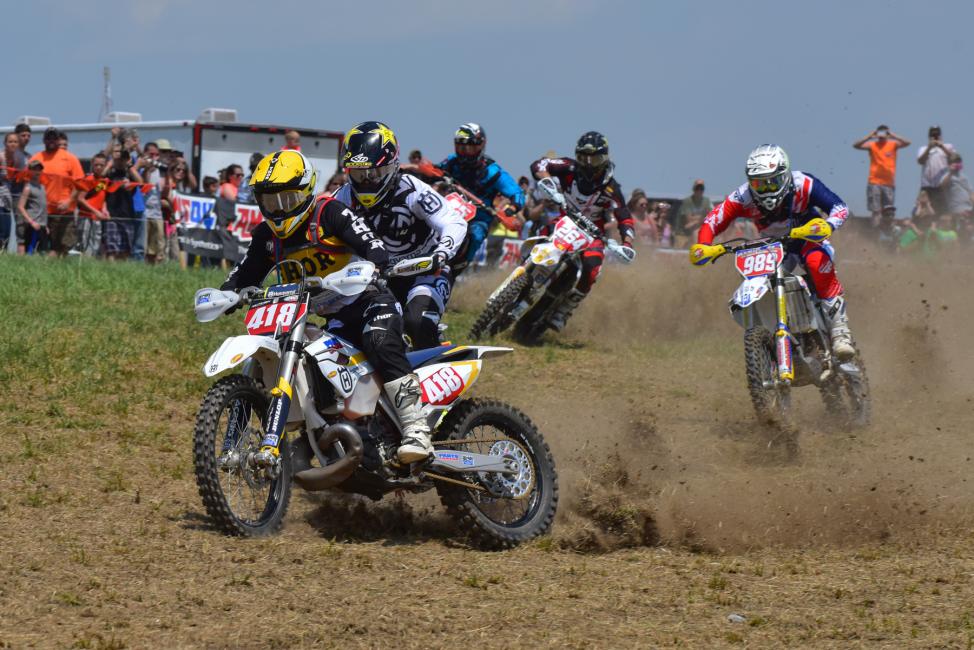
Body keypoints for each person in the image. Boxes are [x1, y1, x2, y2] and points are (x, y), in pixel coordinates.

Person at [221, 149, 434, 463]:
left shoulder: (330, 212)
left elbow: (371, 243)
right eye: (270, 201)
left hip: (369, 302)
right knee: (303, 360)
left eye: (287, 199)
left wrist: (377, 263)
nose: (279, 210)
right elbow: (245, 271)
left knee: (378, 341)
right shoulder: (266, 235)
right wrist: (228, 293)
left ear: (306, 191)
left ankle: (417, 429)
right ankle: (321, 433)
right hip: (329, 317)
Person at [690, 144, 857, 360]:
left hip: (808, 237)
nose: (767, 190)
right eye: (759, 184)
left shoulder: (803, 183)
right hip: (774, 245)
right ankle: (778, 336)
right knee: (760, 279)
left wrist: (829, 225)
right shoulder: (743, 196)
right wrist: (704, 244)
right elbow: (713, 219)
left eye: (772, 182)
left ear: (785, 175)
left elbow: (839, 207)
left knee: (816, 262)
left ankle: (839, 331)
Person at [332, 121, 468, 350]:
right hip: (377, 278)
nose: (366, 181)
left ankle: (434, 365)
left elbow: (453, 221)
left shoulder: (412, 189)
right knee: (349, 330)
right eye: (358, 173)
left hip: (425, 271)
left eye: (374, 173)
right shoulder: (341, 198)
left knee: (418, 323)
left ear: (392, 166)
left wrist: (442, 252)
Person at [530, 131, 636, 330]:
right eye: (583, 157)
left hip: (593, 233)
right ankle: (522, 273)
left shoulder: (611, 187)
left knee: (591, 268)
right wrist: (546, 180)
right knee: (540, 236)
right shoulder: (568, 166)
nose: (588, 163)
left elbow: (624, 216)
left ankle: (565, 308)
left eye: (594, 158)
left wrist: (627, 243)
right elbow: (540, 164)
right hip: (564, 219)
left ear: (604, 158)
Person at [432, 123, 524, 266]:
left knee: (477, 233)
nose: (466, 152)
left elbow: (517, 194)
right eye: (462, 147)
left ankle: (461, 264)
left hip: (477, 217)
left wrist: (509, 210)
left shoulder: (492, 171)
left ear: (481, 146)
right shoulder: (451, 161)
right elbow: (434, 171)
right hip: (448, 209)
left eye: (471, 147)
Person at [30, 128, 83, 256]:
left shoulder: (70, 158)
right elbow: (28, 182)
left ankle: (59, 273)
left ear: (59, 140)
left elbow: (80, 183)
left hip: (64, 210)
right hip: (41, 212)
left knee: (63, 246)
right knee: (43, 247)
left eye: (54, 138)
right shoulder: (36, 158)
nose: (51, 140)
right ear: (44, 140)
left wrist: (69, 200)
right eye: (48, 138)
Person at [853, 125, 911, 226]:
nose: (882, 134)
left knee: (888, 211)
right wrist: (870, 136)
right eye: (880, 132)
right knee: (876, 211)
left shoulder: (893, 144)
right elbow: (856, 145)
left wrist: (892, 135)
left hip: (888, 183)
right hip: (874, 182)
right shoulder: (872, 145)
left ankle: (887, 233)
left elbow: (907, 143)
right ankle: (875, 232)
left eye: (884, 132)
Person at [102, 142, 143, 261]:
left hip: (127, 214)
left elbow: (140, 183)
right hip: (112, 214)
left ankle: (120, 273)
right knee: (112, 249)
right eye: (116, 152)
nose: (119, 156)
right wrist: (110, 164)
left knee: (126, 249)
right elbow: (100, 183)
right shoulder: (109, 172)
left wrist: (129, 165)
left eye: (122, 153)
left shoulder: (130, 171)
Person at [917, 125, 956, 216]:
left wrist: (941, 146)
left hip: (942, 186)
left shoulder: (948, 146)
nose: (935, 136)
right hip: (927, 186)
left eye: (937, 134)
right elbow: (920, 161)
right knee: (924, 212)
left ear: (940, 135)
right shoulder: (923, 149)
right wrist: (929, 148)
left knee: (943, 211)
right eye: (933, 135)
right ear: (929, 136)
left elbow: (954, 158)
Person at [0, 132, 27, 251]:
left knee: (6, 229)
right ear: (5, 143)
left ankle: (3, 255)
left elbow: (22, 177)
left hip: (8, 196)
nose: (13, 144)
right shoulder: (1, 157)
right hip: (1, 194)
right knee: (2, 228)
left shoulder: (19, 159)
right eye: (10, 141)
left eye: (15, 142)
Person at [16, 160, 49, 255]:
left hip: (42, 225)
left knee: (42, 252)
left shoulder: (42, 187)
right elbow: (20, 206)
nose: (37, 172)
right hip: (33, 225)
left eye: (39, 169)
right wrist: (31, 222)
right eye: (34, 169)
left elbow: (43, 207)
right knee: (30, 251)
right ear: (29, 171)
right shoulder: (28, 187)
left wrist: (45, 225)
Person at [675, 179, 712, 245]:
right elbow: (688, 220)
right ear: (693, 189)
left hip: (697, 228)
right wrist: (702, 218)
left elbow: (710, 216)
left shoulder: (706, 201)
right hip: (683, 233)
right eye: (697, 188)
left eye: (701, 188)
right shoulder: (688, 201)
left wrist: (695, 220)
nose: (699, 190)